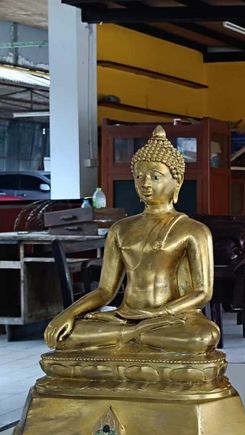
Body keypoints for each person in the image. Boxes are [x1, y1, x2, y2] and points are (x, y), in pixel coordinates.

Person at [44, 126, 219, 353]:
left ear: (177, 181)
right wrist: (69, 313)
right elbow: (105, 290)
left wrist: (158, 313)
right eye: (139, 176)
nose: (145, 183)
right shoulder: (121, 229)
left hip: (171, 318)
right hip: (125, 316)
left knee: (203, 337)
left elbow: (202, 292)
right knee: (65, 336)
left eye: (155, 177)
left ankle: (129, 337)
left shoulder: (193, 230)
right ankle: (134, 335)